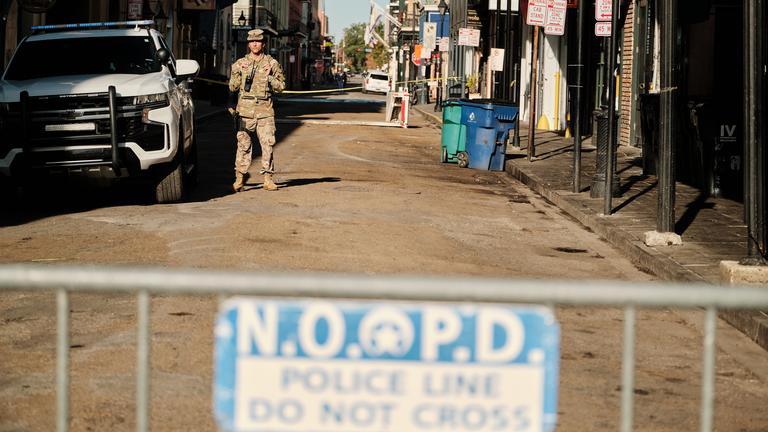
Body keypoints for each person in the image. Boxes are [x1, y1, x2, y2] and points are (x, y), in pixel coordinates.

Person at [228, 28, 285, 192]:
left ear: (263, 44)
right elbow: (232, 86)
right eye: (252, 41)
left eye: (258, 41)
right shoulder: (240, 63)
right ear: (248, 44)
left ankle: (268, 179)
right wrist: (237, 72)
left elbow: (281, 87)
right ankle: (240, 178)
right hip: (245, 112)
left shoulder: (272, 64)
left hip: (265, 111)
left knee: (268, 145)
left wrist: (269, 77)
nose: (254, 44)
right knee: (243, 145)